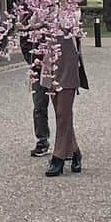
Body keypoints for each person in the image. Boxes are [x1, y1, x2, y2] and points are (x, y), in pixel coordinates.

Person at [42, 27, 88, 177]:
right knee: (60, 113)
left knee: (63, 113)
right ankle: (75, 152)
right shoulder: (47, 8)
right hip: (51, 61)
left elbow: (73, 27)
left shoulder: (71, 11)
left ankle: (58, 156)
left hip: (68, 62)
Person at [20, 32, 51, 158]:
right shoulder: (28, 19)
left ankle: (65, 143)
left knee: (62, 108)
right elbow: (24, 41)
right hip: (38, 68)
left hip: (57, 66)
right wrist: (32, 59)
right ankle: (42, 140)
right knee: (39, 105)